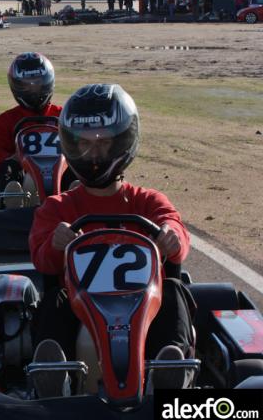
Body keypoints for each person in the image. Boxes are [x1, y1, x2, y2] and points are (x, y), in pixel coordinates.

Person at [28, 83, 196, 397]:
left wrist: (171, 237)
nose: (93, 154)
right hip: (80, 311)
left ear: (123, 143)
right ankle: (55, 378)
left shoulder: (147, 201)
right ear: (69, 145)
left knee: (174, 290)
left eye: (103, 144)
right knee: (54, 301)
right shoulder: (57, 207)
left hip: (145, 309)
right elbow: (41, 258)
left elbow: (174, 228)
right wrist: (56, 242)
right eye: (84, 144)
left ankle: (168, 372)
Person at [0, 53, 61, 174]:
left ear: (48, 82)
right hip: (22, 182)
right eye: (26, 85)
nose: (33, 90)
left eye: (37, 83)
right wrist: (12, 159)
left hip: (63, 181)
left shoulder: (63, 115)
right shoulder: (7, 120)